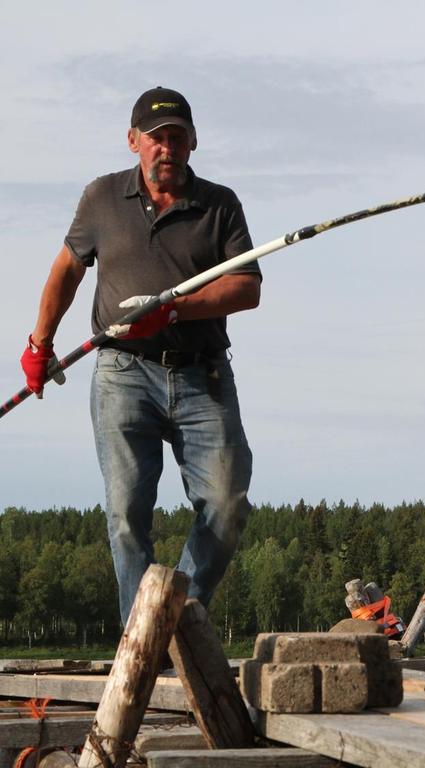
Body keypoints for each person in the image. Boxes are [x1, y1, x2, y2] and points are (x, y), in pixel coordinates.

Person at [20, 86, 261, 625]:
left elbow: (247, 288)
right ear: (133, 142)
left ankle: (169, 625)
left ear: (193, 142)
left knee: (226, 506)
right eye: (155, 139)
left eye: (176, 137)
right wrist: (39, 344)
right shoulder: (102, 198)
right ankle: (143, 644)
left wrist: (172, 311)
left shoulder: (220, 204)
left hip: (204, 376)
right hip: (122, 374)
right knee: (128, 514)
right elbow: (67, 270)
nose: (166, 148)